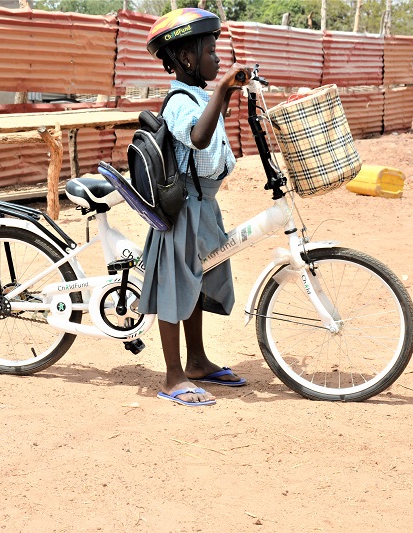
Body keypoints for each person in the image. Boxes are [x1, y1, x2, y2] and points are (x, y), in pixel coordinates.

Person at [139, 8, 250, 406]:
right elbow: (199, 140)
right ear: (187, 58)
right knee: (175, 285)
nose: (218, 59)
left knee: (197, 283)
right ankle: (172, 376)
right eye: (211, 51)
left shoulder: (199, 95)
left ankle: (198, 361)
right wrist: (221, 91)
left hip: (205, 205)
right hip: (183, 208)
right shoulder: (179, 103)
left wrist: (224, 92)